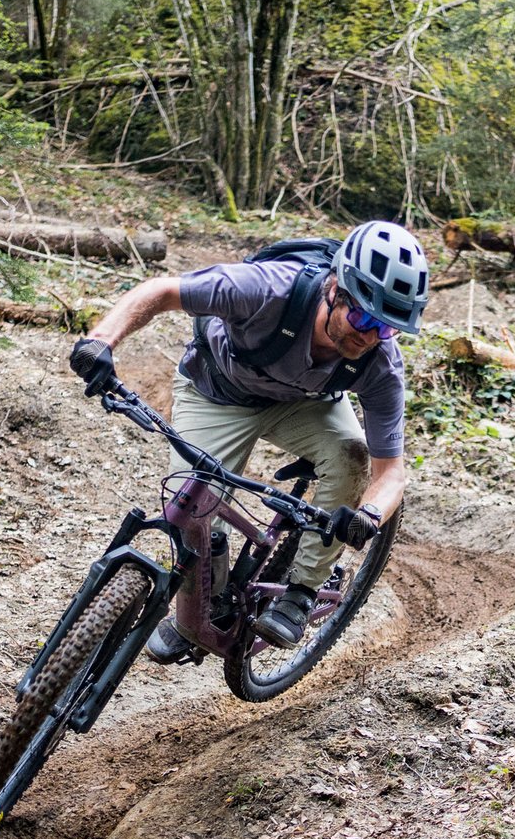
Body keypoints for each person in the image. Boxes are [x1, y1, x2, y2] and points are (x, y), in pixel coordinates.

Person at [66, 221, 428, 652]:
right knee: (189, 517)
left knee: (352, 456)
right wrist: (100, 342)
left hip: (304, 405)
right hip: (216, 391)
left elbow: (392, 474)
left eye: (385, 327)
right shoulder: (267, 290)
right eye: (363, 315)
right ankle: (204, 611)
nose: (369, 335)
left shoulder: (380, 364)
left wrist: (367, 516)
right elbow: (162, 291)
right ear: (335, 287)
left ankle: (300, 593)